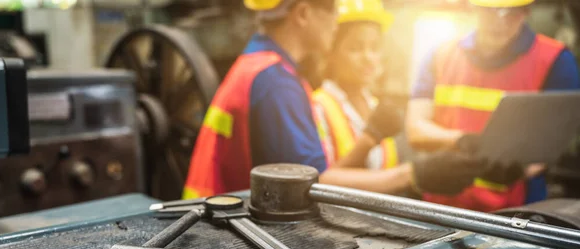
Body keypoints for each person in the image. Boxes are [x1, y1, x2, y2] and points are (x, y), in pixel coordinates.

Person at [183, 0, 484, 200]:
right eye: (331, 12)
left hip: (217, 217)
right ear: (302, 14)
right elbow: (312, 183)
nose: (335, 21)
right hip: (226, 229)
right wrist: (415, 175)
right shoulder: (277, 83)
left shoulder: (261, 67)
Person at [407, 0, 580, 212]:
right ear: (474, 8)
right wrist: (460, 140)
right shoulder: (440, 54)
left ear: (526, 11)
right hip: (443, 207)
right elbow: (415, 128)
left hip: (515, 214)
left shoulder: (555, 60)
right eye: (491, 12)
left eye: (510, 13)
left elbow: (553, 142)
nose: (500, 22)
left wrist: (520, 170)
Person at [313, 0, 411, 171]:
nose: (368, 57)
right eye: (355, 48)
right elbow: (320, 180)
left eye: (374, 48)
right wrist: (369, 140)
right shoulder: (317, 107)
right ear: (331, 53)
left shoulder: (375, 106)